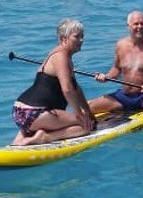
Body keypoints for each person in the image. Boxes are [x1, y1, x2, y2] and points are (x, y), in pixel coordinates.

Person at [87, 11, 143, 136]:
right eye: (136, 24)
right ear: (128, 25)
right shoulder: (121, 45)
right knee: (89, 105)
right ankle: (88, 127)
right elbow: (116, 69)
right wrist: (106, 77)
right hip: (124, 96)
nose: (140, 27)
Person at [11, 18, 97, 146]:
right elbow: (67, 90)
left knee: (85, 120)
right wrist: (81, 116)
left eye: (82, 36)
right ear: (64, 39)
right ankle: (45, 137)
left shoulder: (62, 56)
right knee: (86, 127)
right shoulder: (61, 56)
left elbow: (76, 89)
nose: (81, 40)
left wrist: (88, 112)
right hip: (35, 113)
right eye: (77, 36)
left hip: (21, 112)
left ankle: (21, 138)